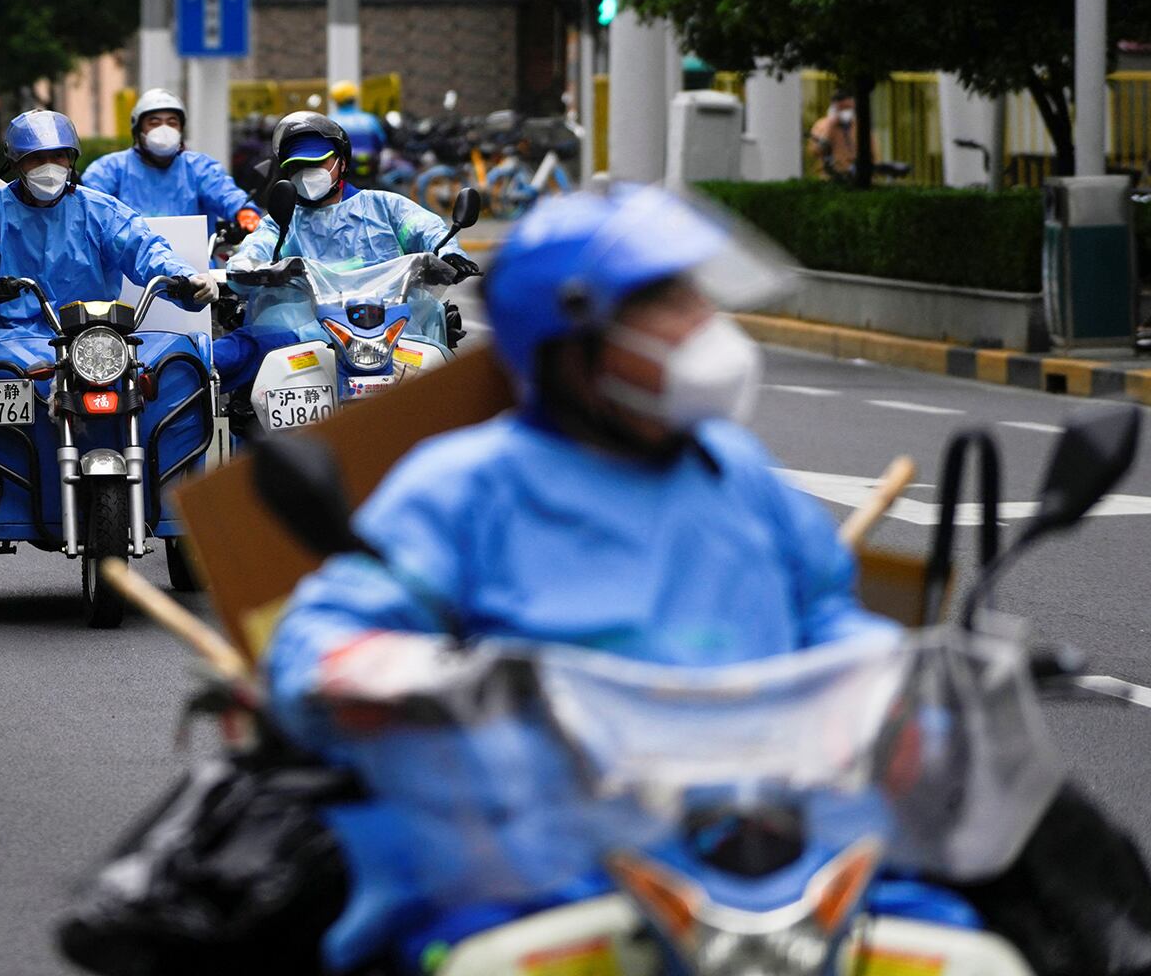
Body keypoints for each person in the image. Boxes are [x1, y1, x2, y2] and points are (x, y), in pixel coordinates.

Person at [261, 185, 894, 970]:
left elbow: (826, 612)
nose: (702, 325)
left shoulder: (737, 471)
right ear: (572, 341)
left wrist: (896, 676)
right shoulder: (464, 486)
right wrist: (395, 671)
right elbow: (327, 631)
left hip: (765, 845)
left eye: (696, 295)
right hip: (545, 858)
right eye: (664, 303)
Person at [0, 110, 220, 378]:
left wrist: (188, 278)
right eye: (37, 158)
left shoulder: (101, 211)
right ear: (15, 163)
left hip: (94, 337)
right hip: (8, 337)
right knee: (2, 381)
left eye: (58, 156)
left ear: (71, 160)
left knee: (174, 374)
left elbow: (145, 250)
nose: (50, 167)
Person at [229, 113, 454, 273]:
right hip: (314, 335)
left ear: (343, 164)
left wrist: (448, 252)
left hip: (391, 328)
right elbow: (253, 251)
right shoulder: (281, 223)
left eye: (317, 163)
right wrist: (244, 267)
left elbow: (424, 228)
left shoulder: (383, 207)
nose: (307, 173)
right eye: (298, 166)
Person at [80, 88, 260, 242]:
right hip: (126, 273)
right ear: (138, 130)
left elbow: (225, 193)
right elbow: (89, 203)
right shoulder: (109, 168)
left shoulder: (199, 167)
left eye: (172, 122)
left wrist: (244, 211)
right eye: (154, 122)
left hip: (196, 272)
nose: (164, 129)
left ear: (181, 130)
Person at [328, 81, 386, 182]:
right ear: (355, 98)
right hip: (369, 170)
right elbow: (381, 142)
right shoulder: (370, 120)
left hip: (344, 171)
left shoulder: (331, 120)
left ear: (336, 101)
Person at [810, 90, 859, 180]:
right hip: (829, 176)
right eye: (842, 108)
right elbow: (815, 151)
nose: (846, 112)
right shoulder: (821, 125)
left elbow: (873, 152)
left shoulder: (858, 126)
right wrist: (830, 127)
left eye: (849, 108)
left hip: (855, 176)